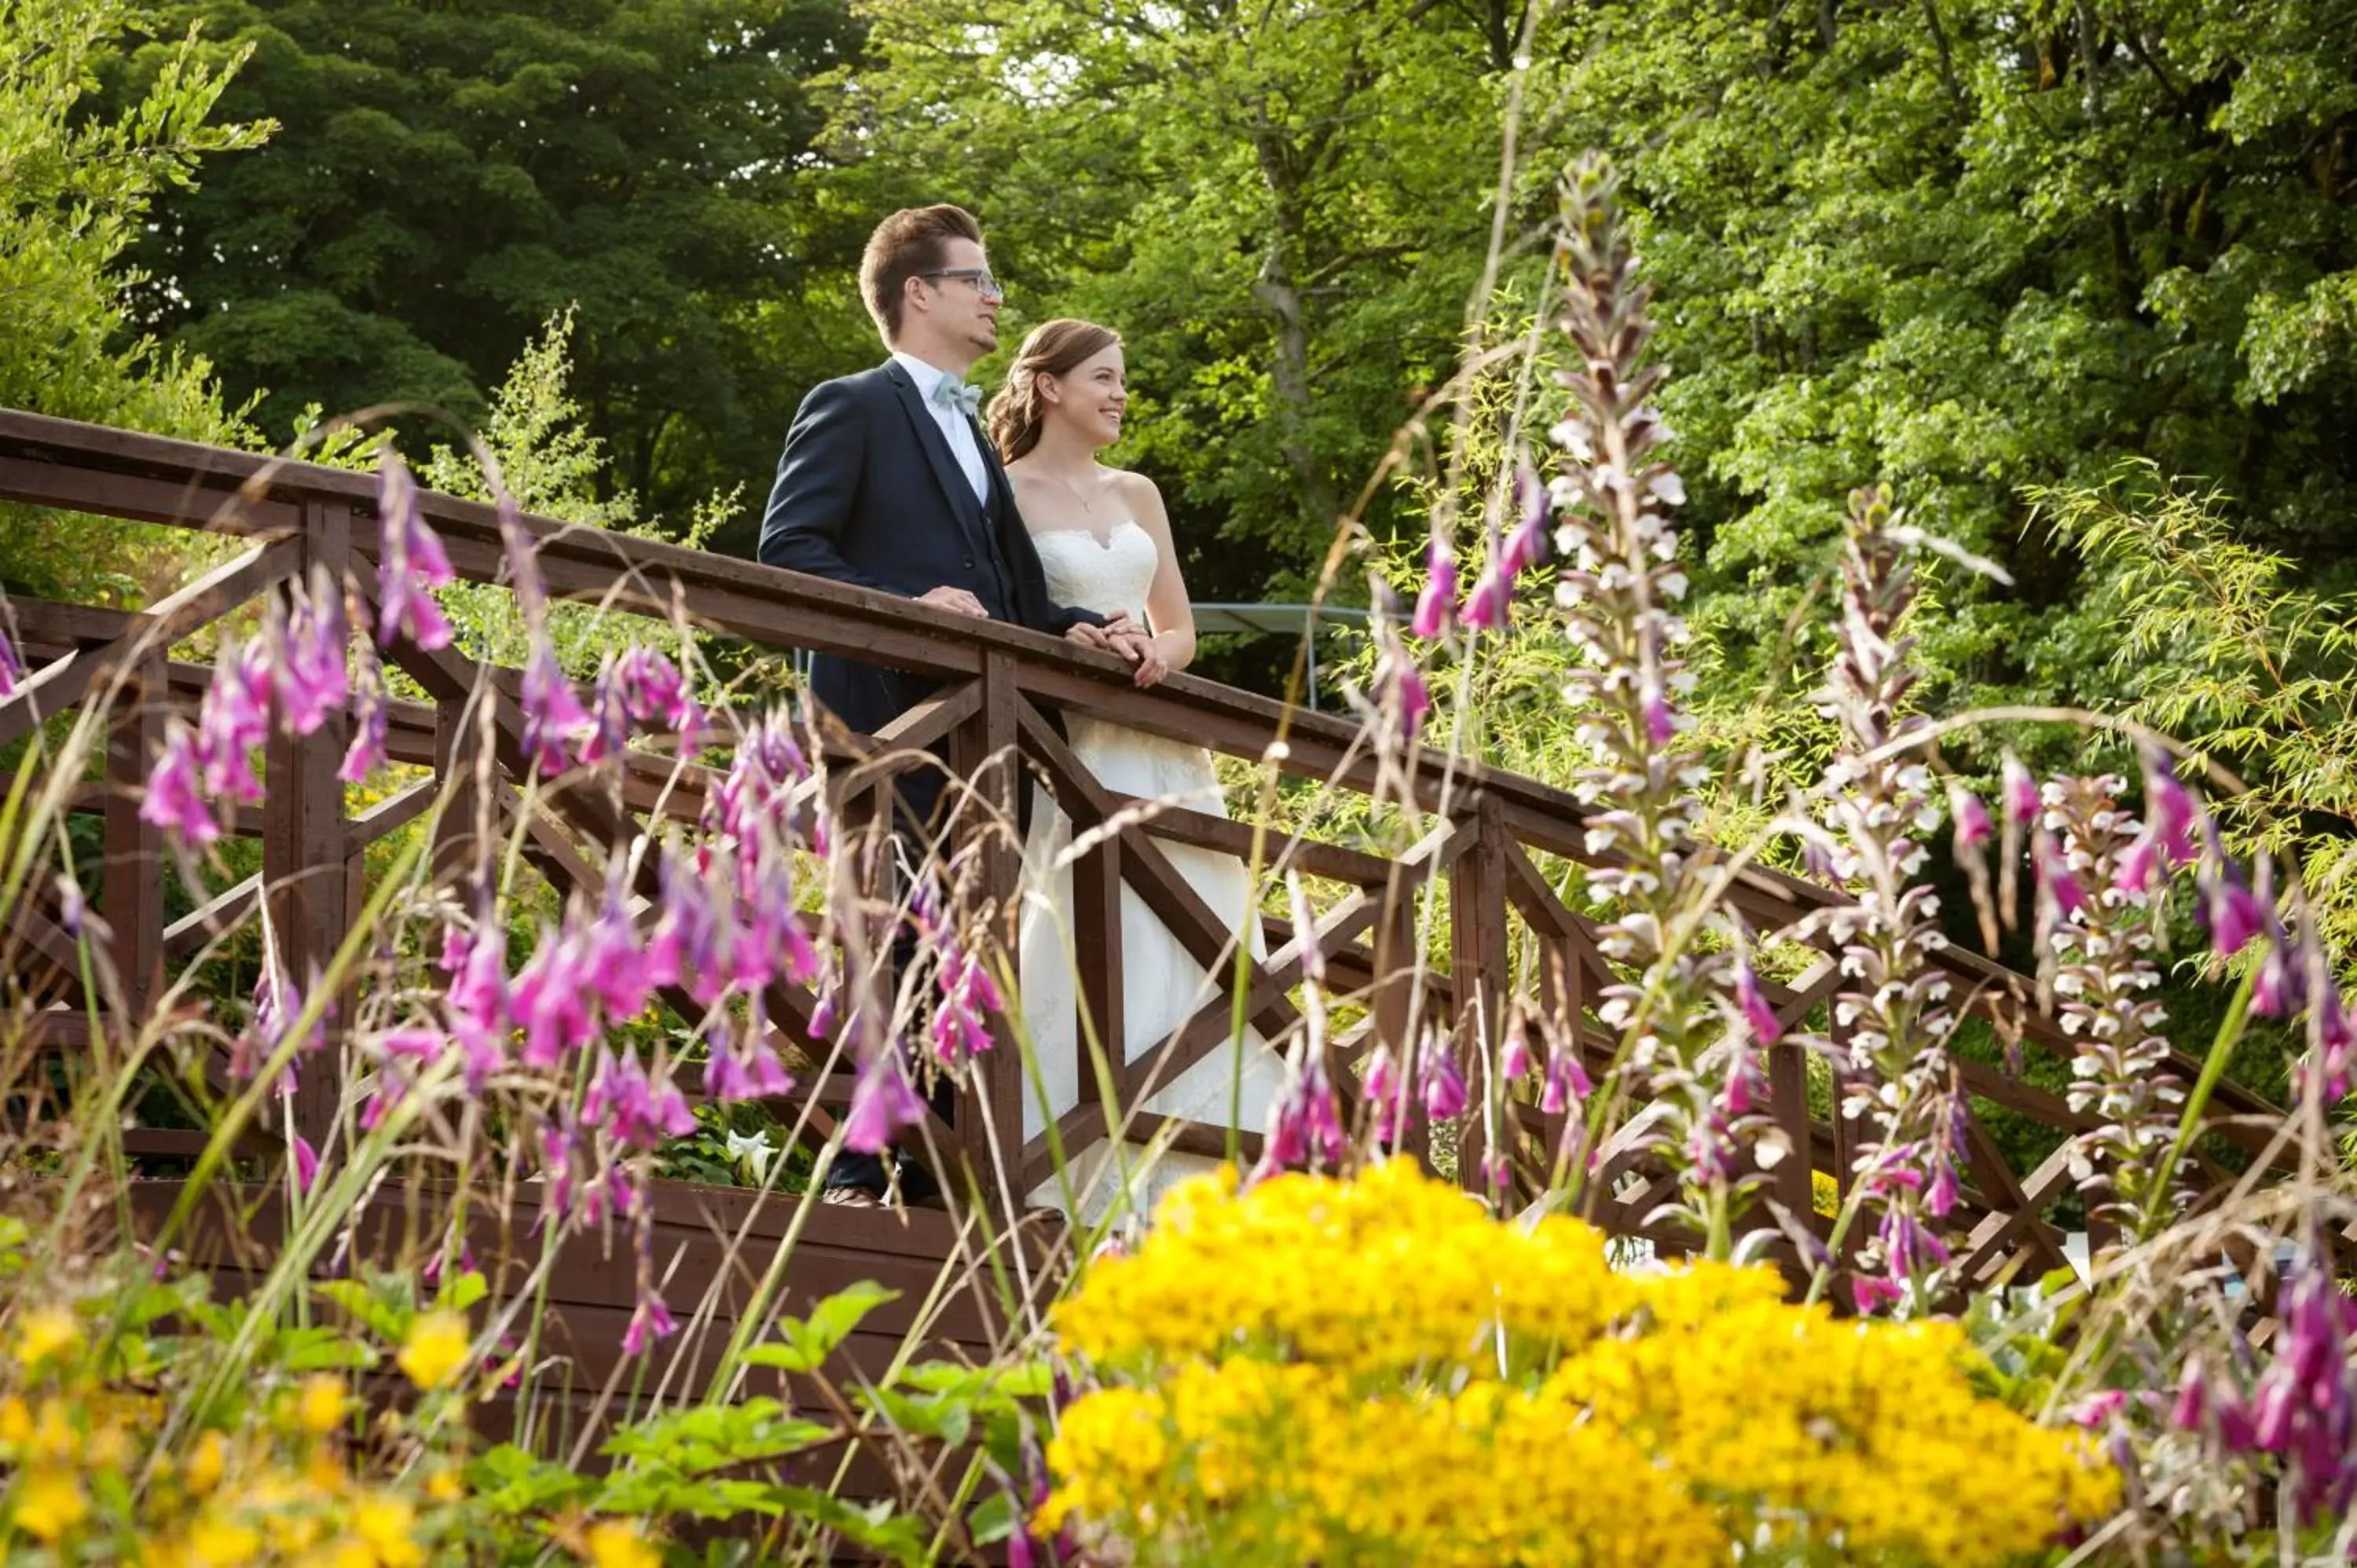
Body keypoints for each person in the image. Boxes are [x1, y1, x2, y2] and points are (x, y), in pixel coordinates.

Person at [757, 207, 1149, 1207]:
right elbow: (787, 552)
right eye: (976, 279)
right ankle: (859, 1174)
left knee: (962, 948)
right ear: (918, 293)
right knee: (888, 937)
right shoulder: (848, 405)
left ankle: (929, 1177)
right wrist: (910, 609)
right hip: (886, 727)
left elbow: (1015, 595)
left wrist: (1076, 628)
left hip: (988, 740)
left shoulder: (974, 432)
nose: (995, 297)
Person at [990, 319, 1286, 1222]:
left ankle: (1222, 1172)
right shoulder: (1003, 494)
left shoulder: (1139, 492)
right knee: (1088, 928)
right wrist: (1076, 637)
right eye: (1105, 378)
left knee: (1200, 933)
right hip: (1075, 748)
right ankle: (1075, 1173)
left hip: (1166, 748)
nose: (1121, 394)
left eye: (1124, 380)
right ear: (1049, 387)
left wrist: (1158, 652)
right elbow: (1016, 612)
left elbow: (1183, 625)